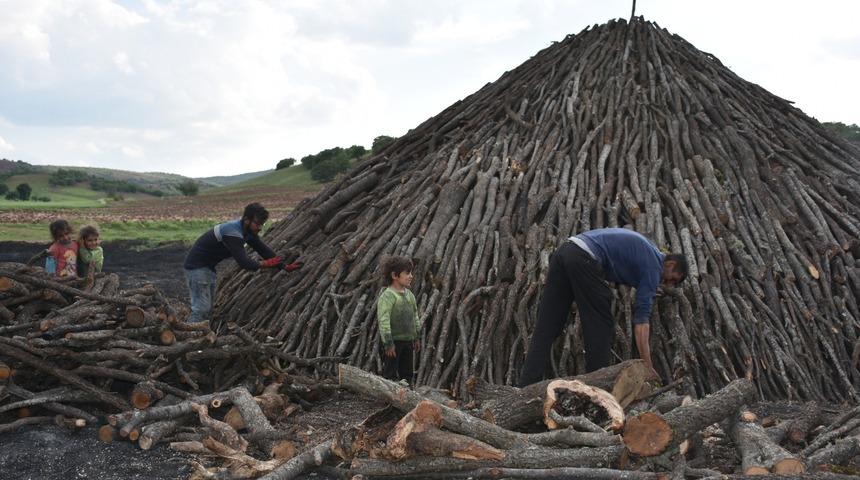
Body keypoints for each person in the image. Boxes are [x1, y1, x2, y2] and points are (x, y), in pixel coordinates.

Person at [518, 227, 688, 387]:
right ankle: (597, 389)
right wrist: (647, 366)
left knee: (548, 324)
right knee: (601, 324)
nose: (668, 285)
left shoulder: (649, 253)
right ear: (671, 265)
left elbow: (627, 264)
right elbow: (641, 323)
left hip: (566, 251)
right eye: (672, 279)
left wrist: (648, 287)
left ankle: (526, 386)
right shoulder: (654, 267)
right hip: (583, 258)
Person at [183, 202, 301, 324]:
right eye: (257, 223)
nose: (260, 227)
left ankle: (197, 334)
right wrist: (265, 264)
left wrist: (284, 266)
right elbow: (244, 262)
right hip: (197, 267)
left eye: (262, 224)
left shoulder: (248, 232)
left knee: (207, 309)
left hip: (208, 268)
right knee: (201, 309)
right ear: (246, 220)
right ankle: (188, 334)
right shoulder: (232, 232)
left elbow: (263, 249)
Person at [376, 255, 421, 384]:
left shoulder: (410, 295)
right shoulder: (388, 296)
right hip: (394, 342)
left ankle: (406, 398)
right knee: (390, 373)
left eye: (411, 273)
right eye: (407, 273)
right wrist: (388, 343)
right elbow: (383, 321)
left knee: (407, 373)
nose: (411, 276)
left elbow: (415, 316)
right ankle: (387, 400)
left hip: (408, 341)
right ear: (395, 275)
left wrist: (416, 337)